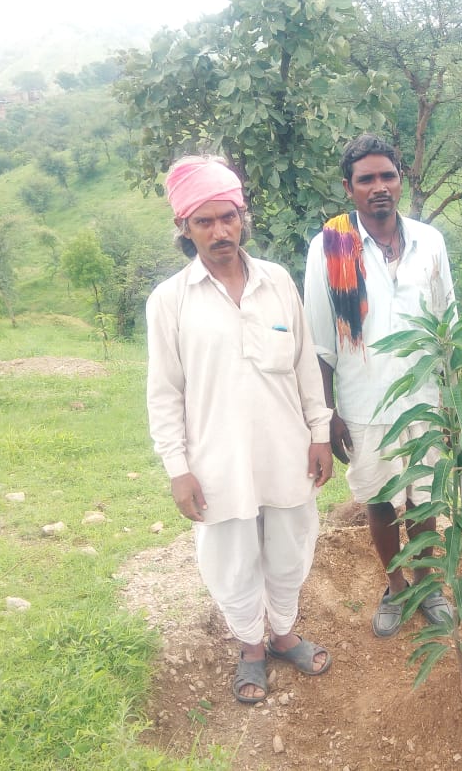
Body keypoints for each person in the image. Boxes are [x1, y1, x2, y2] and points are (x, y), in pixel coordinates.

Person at [146, 155, 334, 704]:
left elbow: (304, 364)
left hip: (287, 449)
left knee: (291, 546)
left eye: (227, 217)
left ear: (242, 216)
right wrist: (178, 469)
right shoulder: (170, 300)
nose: (219, 231)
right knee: (230, 558)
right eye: (204, 222)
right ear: (184, 227)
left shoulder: (276, 281)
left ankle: (284, 634)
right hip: (216, 459)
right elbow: (165, 392)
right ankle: (251, 646)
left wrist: (319, 433)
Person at [303, 133, 456, 638]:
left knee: (425, 500)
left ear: (401, 179)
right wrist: (328, 414)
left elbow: (447, 324)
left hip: (425, 399)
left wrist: (451, 402)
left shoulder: (429, 242)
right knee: (380, 500)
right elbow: (320, 340)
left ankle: (428, 586)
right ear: (348, 187)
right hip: (363, 402)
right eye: (366, 179)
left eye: (387, 175)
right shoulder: (330, 247)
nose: (379, 187)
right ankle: (395, 587)